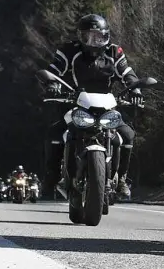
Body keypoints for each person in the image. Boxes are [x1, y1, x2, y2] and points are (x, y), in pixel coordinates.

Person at [43, 14, 144, 199]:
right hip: (76, 103)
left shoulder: (115, 52)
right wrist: (52, 85)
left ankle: (121, 179)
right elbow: (54, 70)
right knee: (55, 133)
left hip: (106, 106)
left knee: (127, 134)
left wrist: (135, 90)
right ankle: (53, 177)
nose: (94, 41)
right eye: (88, 37)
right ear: (80, 37)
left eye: (99, 37)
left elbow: (127, 72)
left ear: (106, 36)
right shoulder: (68, 51)